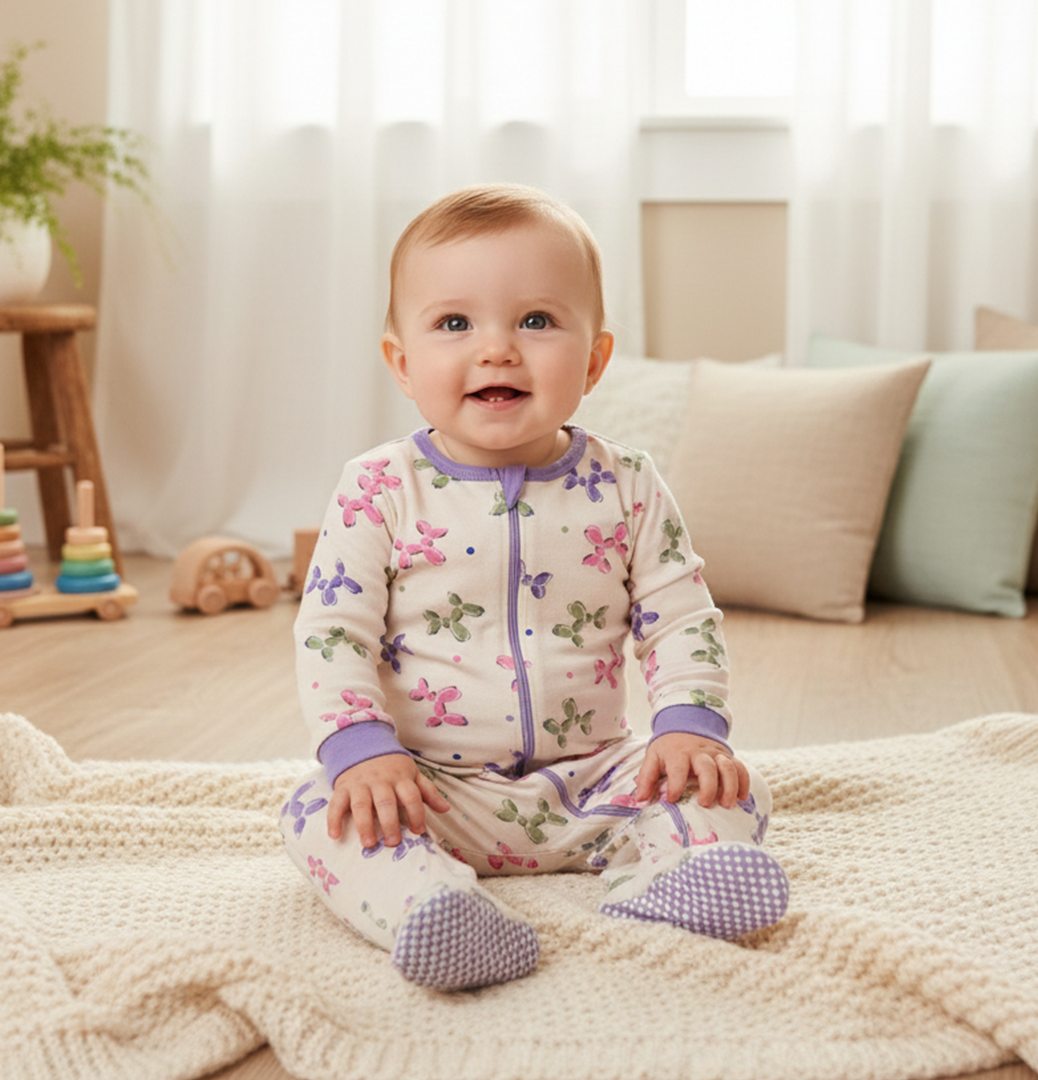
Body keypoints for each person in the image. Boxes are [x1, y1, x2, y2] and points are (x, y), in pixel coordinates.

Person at [280, 183, 788, 991]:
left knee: (731, 783)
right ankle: (430, 908)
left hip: (597, 778)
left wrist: (688, 727)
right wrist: (361, 753)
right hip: (432, 789)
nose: (497, 349)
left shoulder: (627, 483)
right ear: (403, 364)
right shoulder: (378, 486)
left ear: (594, 360)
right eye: (455, 323)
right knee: (320, 812)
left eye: (536, 320)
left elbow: (681, 615)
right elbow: (332, 630)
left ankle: (675, 880)